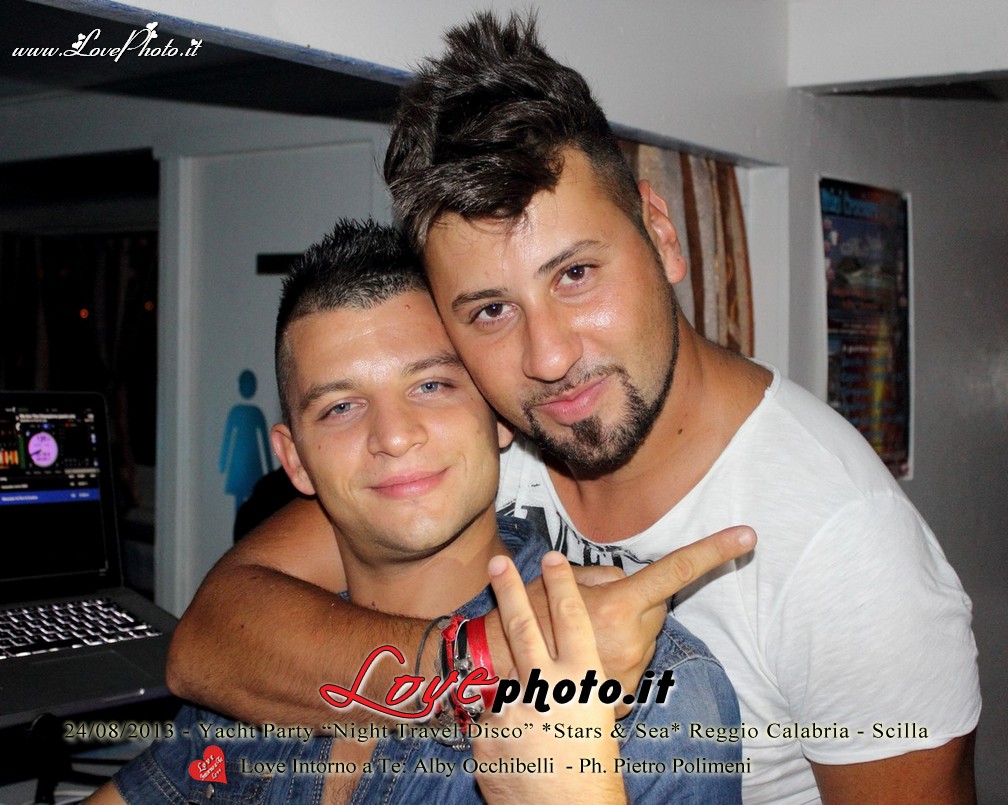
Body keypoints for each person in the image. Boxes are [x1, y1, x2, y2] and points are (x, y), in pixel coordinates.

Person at [167, 12, 980, 803]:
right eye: (491, 310)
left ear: (661, 234)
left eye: (576, 274)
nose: (549, 357)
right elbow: (212, 635)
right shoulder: (491, 439)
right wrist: (492, 662)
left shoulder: (843, 549)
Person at [89, 220, 745, 804]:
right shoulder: (263, 663)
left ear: (498, 414)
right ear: (294, 460)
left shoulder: (646, 691)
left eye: (431, 385)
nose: (394, 435)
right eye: (341, 407)